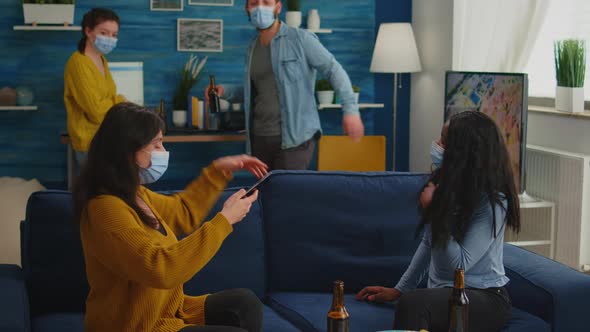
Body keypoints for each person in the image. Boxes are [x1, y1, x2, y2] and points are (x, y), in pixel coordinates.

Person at [73, 102, 267, 332]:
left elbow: (182, 212)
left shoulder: (136, 195)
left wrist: (218, 170)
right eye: (156, 144)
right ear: (127, 151)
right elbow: (162, 269)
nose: (163, 152)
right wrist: (224, 221)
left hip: (166, 312)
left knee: (245, 302)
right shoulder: (105, 210)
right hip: (139, 326)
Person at [356, 111, 521, 332]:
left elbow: (458, 268)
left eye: (444, 139)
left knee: (414, 304)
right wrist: (400, 289)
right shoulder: (445, 185)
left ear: (463, 151)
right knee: (411, 300)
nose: (437, 144)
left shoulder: (493, 202)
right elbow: (428, 243)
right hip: (444, 294)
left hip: (485, 297)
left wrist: (435, 213)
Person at [208, 0, 364, 170]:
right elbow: (259, 90)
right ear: (247, 9)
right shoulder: (252, 48)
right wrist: (225, 91)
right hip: (259, 138)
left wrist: (351, 111)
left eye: (266, 2)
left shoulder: (301, 39)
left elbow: (334, 70)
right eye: (254, 3)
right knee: (264, 195)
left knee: (286, 193)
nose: (260, 7)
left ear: (278, 7)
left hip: (295, 139)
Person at [64, 8, 126, 163]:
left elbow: (106, 100)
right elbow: (96, 111)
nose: (110, 39)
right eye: (104, 33)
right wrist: (120, 101)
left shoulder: (101, 60)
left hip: (105, 138)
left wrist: (116, 103)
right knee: (95, 187)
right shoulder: (79, 63)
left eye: (114, 35)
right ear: (88, 31)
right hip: (90, 142)